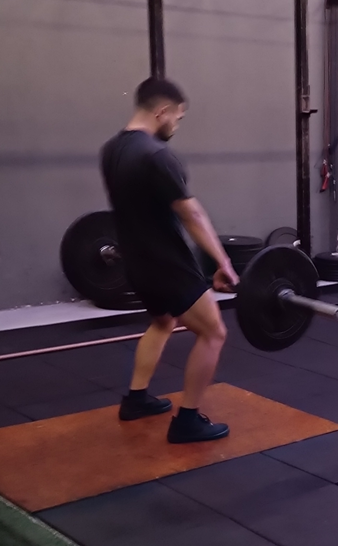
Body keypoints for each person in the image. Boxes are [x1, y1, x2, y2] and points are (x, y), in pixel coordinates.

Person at [100, 78, 237, 444]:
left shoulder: (111, 150)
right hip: (166, 263)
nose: (176, 124)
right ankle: (187, 421)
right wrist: (222, 262)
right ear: (162, 112)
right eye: (178, 117)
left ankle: (136, 399)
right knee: (214, 332)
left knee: (163, 321)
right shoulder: (157, 155)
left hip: (135, 261)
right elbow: (192, 215)